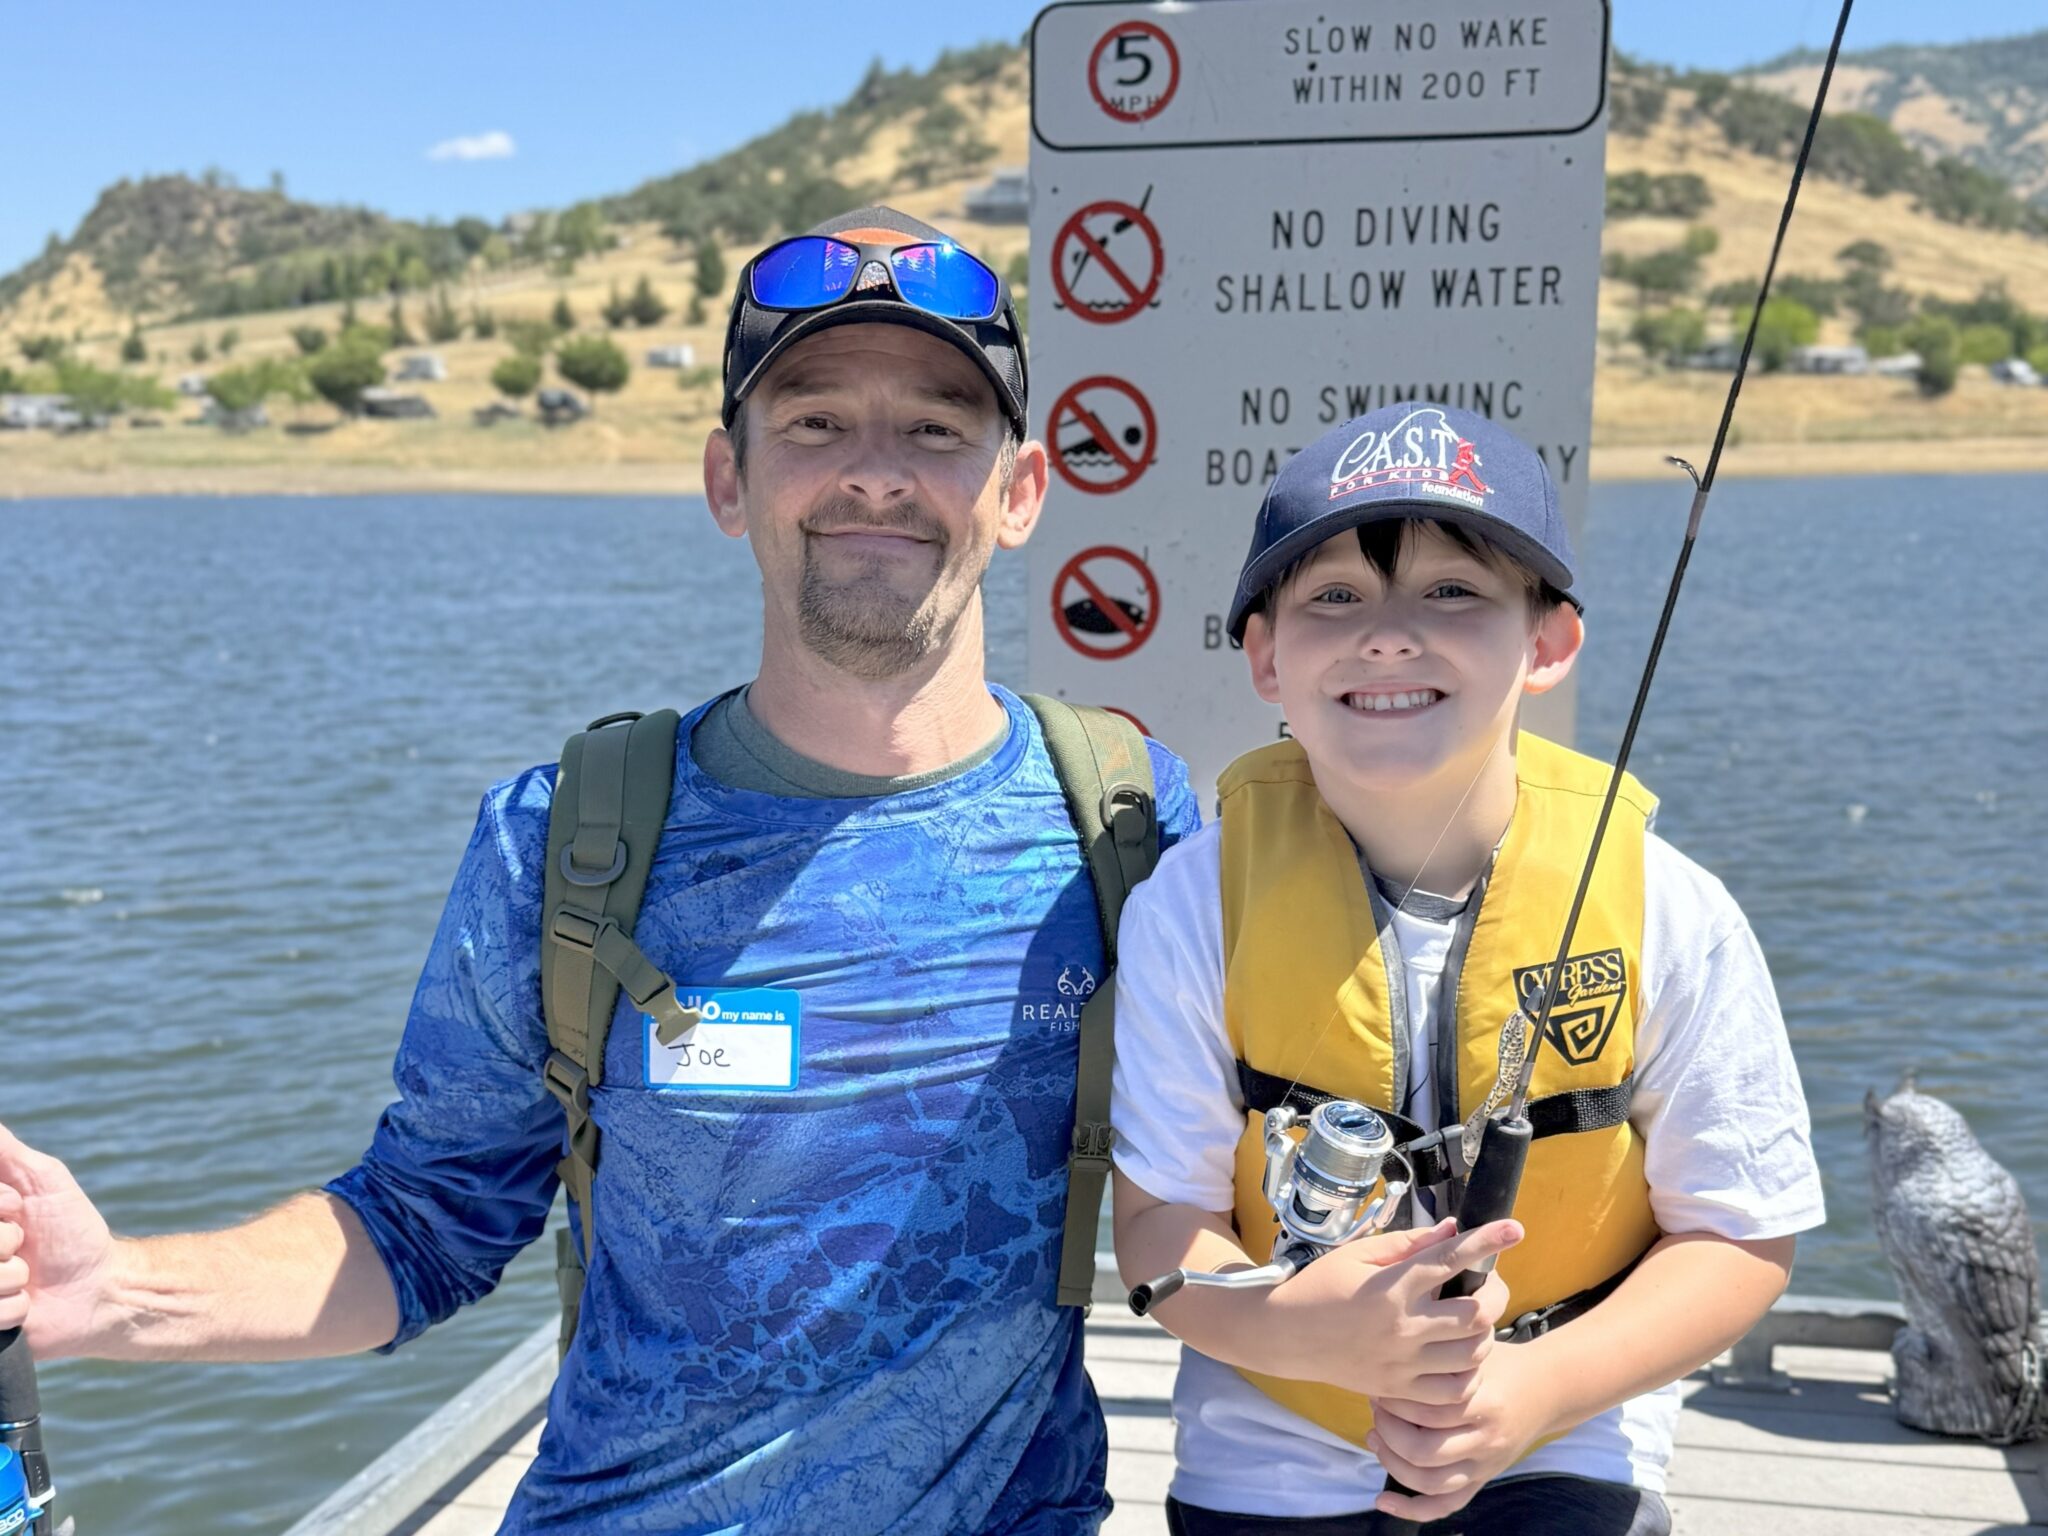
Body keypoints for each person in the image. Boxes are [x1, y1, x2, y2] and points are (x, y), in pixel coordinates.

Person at [0, 207, 1199, 1534]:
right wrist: (107, 1293)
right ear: (726, 480)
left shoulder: (1133, 828)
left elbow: (1270, 1157)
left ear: (1020, 490)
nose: (876, 474)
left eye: (934, 428)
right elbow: (421, 1226)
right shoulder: (570, 839)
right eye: (811, 423)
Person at [1108, 404, 1825, 1535]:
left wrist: (1533, 1389)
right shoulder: (1191, 908)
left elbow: (1739, 1234)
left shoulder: (1670, 906)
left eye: (1453, 593)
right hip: (1269, 1454)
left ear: (1546, 642)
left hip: (1564, 1433)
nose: (1387, 636)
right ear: (1263, 653)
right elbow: (1156, 1226)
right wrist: (1296, 1328)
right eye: (1331, 598)